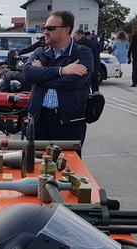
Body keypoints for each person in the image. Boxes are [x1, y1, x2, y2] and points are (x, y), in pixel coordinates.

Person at [23, 10, 94, 156]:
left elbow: (74, 81)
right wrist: (62, 70)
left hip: (69, 121)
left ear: (66, 30)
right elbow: (29, 74)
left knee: (68, 166)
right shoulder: (40, 52)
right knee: (36, 166)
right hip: (38, 119)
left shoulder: (83, 53)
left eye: (50, 28)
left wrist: (42, 75)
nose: (45, 32)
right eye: (44, 28)